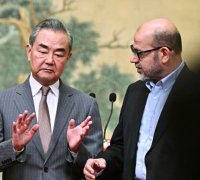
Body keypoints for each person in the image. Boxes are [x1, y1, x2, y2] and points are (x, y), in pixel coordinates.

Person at [0, 18, 103, 180]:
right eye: (43, 51)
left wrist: (76, 150)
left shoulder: (85, 105)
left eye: (58, 54)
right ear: (29, 51)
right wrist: (14, 146)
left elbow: (98, 169)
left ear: (68, 57)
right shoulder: (0, 102)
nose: (49, 60)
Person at [83, 18, 200, 180]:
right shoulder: (135, 92)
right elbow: (121, 146)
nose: (133, 59)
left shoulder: (193, 94)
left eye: (139, 53)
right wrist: (104, 161)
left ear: (164, 54)